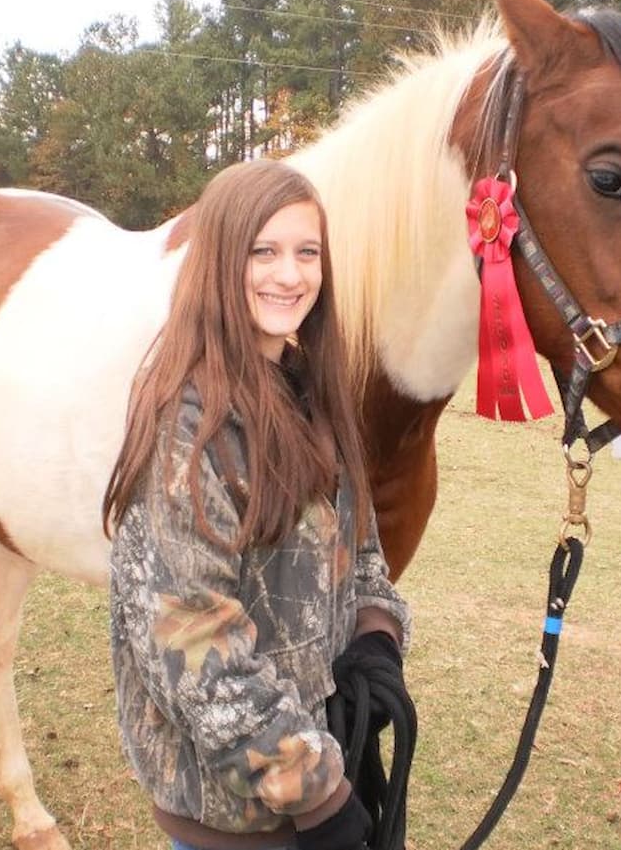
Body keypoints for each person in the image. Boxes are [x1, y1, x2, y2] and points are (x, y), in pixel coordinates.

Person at [102, 159, 412, 850]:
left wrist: (375, 634)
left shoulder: (310, 390)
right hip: (236, 821)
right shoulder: (187, 427)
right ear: (220, 260)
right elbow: (193, 642)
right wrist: (315, 791)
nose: (290, 275)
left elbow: (359, 548)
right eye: (263, 251)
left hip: (317, 773)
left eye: (308, 252)